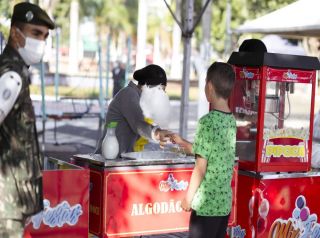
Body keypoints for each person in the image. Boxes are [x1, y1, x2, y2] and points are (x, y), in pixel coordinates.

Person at [0, 2, 54, 237]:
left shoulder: (17, 71)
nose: (41, 41)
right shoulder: (11, 75)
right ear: (15, 33)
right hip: (6, 202)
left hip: (13, 199)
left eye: (44, 36)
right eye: (35, 33)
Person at [170, 62, 236, 238]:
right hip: (223, 205)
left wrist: (188, 198)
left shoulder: (207, 122)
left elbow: (201, 167)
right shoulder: (230, 120)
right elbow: (214, 154)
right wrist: (184, 143)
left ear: (209, 87)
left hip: (206, 205)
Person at [96, 64, 171, 155]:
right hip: (110, 158)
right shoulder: (128, 94)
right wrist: (157, 133)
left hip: (123, 158)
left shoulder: (141, 101)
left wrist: (161, 133)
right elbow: (138, 124)